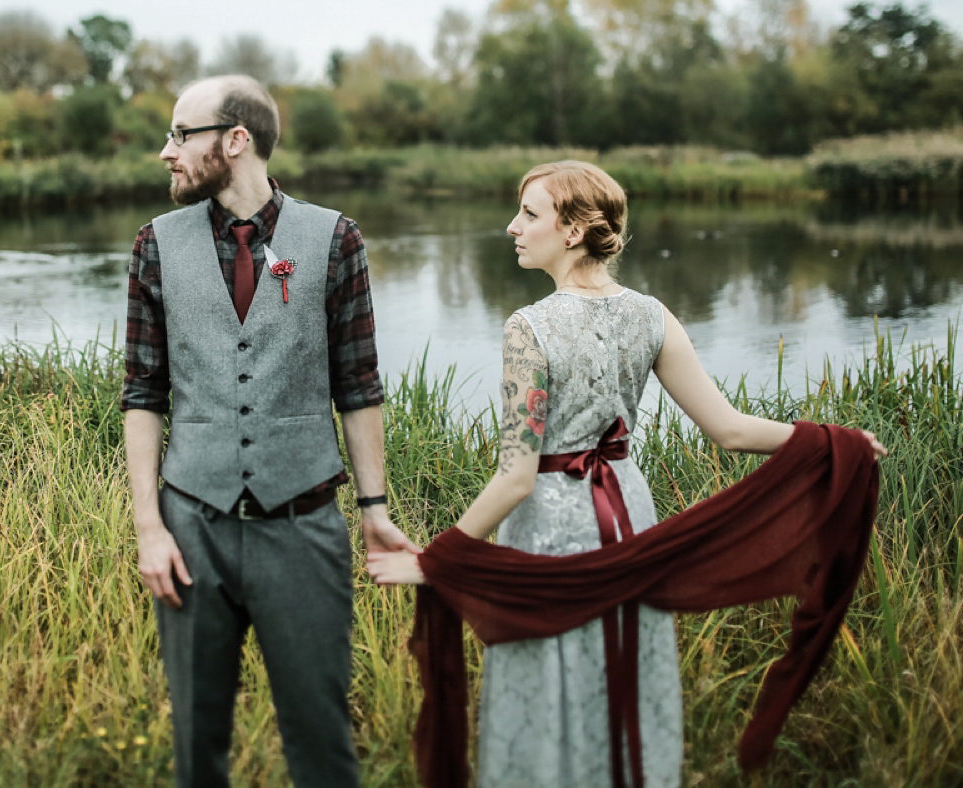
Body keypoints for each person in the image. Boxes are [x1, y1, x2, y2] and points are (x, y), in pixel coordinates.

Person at [367, 160, 887, 787]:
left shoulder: (528, 327)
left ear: (574, 229)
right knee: (623, 669)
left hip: (553, 528)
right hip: (632, 516)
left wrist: (438, 559)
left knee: (550, 673)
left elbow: (516, 478)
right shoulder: (652, 314)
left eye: (530, 214)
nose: (512, 227)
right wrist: (837, 442)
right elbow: (728, 428)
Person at [121, 74, 418, 788]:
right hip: (192, 527)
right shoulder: (154, 245)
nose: (166, 152)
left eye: (179, 135)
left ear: (235, 141)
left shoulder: (335, 237)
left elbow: (359, 384)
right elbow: (142, 393)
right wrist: (148, 528)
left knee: (322, 745)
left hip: (304, 527)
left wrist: (374, 510)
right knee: (197, 745)